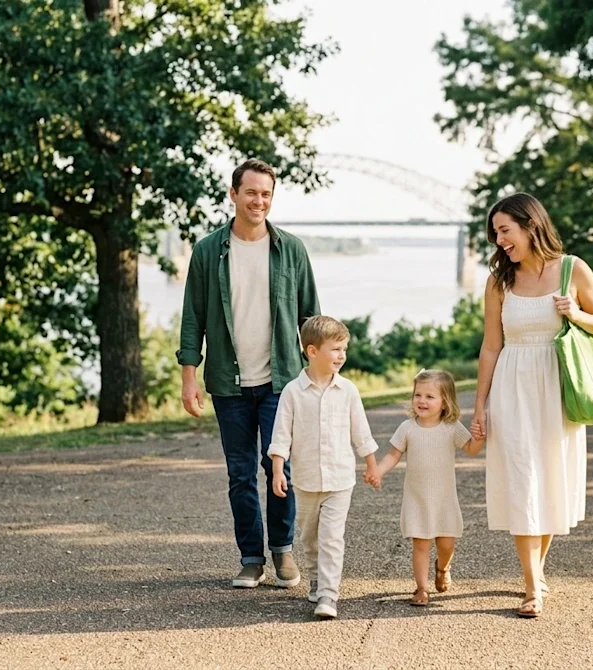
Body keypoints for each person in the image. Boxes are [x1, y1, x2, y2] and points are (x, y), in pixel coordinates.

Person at [176, 158, 320, 589]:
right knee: (240, 474)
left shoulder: (291, 249)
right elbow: (193, 317)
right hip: (228, 382)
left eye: (266, 194)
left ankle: (283, 551)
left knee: (281, 469)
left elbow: (311, 316)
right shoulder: (207, 251)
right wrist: (189, 376)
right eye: (252, 192)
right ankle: (251, 558)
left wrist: (320, 375)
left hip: (283, 382)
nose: (259, 201)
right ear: (234, 194)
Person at [469, 192, 593, 618]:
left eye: (505, 231)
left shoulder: (573, 269)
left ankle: (536, 571)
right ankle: (533, 586)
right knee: (523, 479)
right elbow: (491, 347)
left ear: (530, 225)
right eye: (495, 233)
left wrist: (575, 313)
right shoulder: (499, 282)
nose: (499, 241)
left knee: (550, 481)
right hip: (512, 386)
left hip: (557, 387)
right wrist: (479, 406)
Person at [268, 316, 381, 620]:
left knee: (331, 537)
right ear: (312, 351)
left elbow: (361, 432)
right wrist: (278, 470)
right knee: (309, 537)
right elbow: (281, 435)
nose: (342, 355)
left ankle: (329, 594)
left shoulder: (348, 391)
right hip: (304, 481)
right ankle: (316, 577)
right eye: (335, 349)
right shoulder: (293, 392)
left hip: (340, 480)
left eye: (344, 348)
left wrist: (372, 465)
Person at [373, 369, 483, 607]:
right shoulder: (407, 427)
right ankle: (422, 588)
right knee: (420, 544)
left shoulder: (451, 427)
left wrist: (480, 437)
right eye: (418, 395)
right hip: (417, 498)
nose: (422, 401)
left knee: (446, 544)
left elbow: (471, 449)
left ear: (445, 402)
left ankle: (443, 568)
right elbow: (393, 455)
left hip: (444, 499)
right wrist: (378, 471)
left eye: (430, 397)